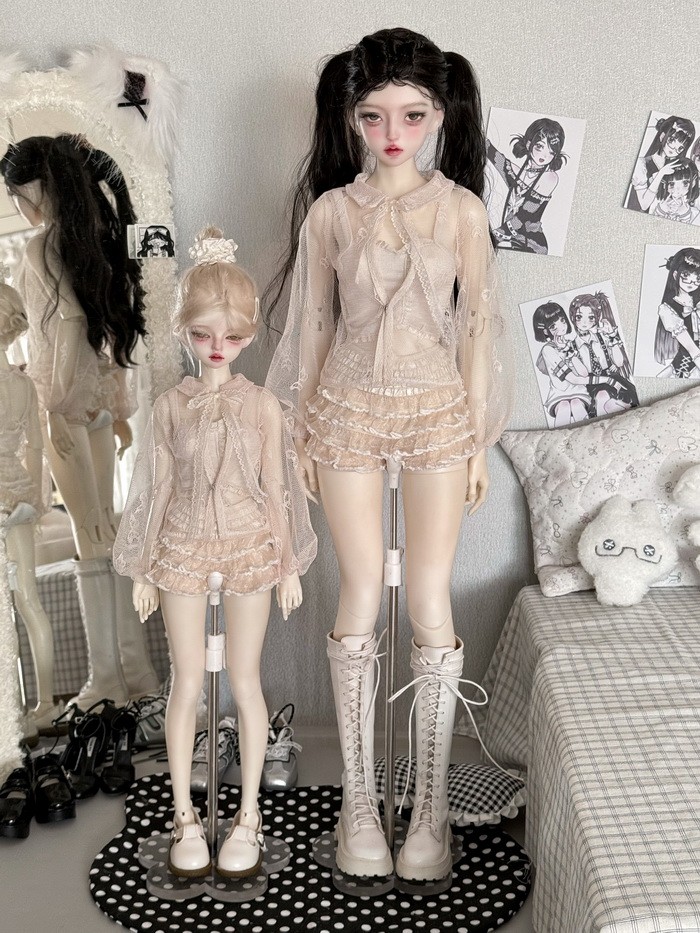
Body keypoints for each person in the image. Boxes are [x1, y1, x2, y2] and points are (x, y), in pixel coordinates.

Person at [265, 28, 512, 882]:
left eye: (411, 114)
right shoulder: (333, 213)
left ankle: (430, 808)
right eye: (374, 116)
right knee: (361, 591)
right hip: (345, 410)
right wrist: (301, 427)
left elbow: (477, 326)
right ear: (351, 119)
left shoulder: (461, 211)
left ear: (440, 114)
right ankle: (360, 805)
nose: (392, 133)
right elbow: (314, 324)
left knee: (431, 597)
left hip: (438, 412)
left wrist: (475, 437)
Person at [113, 228, 316, 879]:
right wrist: (144, 566)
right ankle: (184, 815)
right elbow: (156, 488)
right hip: (181, 546)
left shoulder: (262, 406)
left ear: (247, 334)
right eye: (203, 334)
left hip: (251, 546)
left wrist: (287, 565)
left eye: (229, 334)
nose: (217, 346)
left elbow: (278, 490)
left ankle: (248, 814)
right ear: (187, 333)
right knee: (188, 683)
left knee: (246, 681)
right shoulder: (170, 406)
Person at [0, 134, 158, 707]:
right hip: (96, 399)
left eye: (16, 194)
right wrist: (107, 408)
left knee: (88, 535)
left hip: (66, 401)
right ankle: (134, 675)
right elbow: (100, 332)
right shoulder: (90, 238)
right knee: (102, 530)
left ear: (33, 189)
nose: (17, 205)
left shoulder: (41, 246)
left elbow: (66, 324)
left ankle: (110, 679)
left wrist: (54, 403)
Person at [0, 283, 60, 733]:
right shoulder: (23, 385)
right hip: (19, 494)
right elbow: (36, 450)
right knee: (29, 602)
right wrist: (35, 502)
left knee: (12, 609)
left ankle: (14, 713)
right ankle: (45, 703)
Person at [486, 117, 566, 254]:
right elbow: (492, 153)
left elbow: (522, 216)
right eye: (540, 146)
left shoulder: (550, 178)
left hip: (532, 244)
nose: (544, 155)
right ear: (529, 144)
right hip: (507, 238)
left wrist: (493, 236)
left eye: (551, 152)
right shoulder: (515, 171)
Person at [569, 292, 638, 417]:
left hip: (612, 376)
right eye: (579, 317)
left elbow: (619, 362)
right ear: (572, 317)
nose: (584, 322)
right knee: (601, 396)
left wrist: (611, 336)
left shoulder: (602, 337)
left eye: (590, 318)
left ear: (596, 318)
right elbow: (582, 373)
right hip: (592, 383)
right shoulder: (572, 347)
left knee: (625, 399)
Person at [532, 302, 591, 426]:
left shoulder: (572, 344)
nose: (561, 327)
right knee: (564, 407)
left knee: (576, 404)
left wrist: (570, 353)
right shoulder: (548, 350)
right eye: (553, 326)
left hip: (578, 390)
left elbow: (584, 373)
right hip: (559, 393)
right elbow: (571, 379)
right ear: (545, 331)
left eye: (563, 320)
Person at [625, 115, 695, 213]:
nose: (674, 148)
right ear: (662, 136)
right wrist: (661, 174)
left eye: (680, 148)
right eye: (672, 140)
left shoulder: (677, 168)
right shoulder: (642, 164)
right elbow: (644, 205)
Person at [653, 247, 700, 378]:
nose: (692, 282)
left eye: (698, 278)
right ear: (675, 275)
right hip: (687, 367)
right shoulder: (667, 309)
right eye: (686, 275)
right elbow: (692, 349)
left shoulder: (697, 302)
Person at [648, 157, 700, 225]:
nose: (678, 189)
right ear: (664, 184)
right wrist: (660, 211)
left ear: (693, 182)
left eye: (685, 183)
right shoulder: (657, 202)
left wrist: (685, 215)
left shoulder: (695, 212)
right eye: (671, 184)